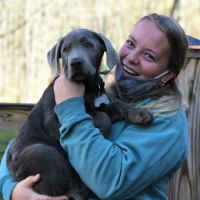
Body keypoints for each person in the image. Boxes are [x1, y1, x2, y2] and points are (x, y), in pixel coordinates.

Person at [0, 13, 188, 200]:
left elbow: (109, 183)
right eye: (130, 43)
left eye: (149, 55)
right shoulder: (105, 94)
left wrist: (70, 105)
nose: (131, 57)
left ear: (168, 75)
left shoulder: (166, 124)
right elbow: (16, 148)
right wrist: (13, 191)